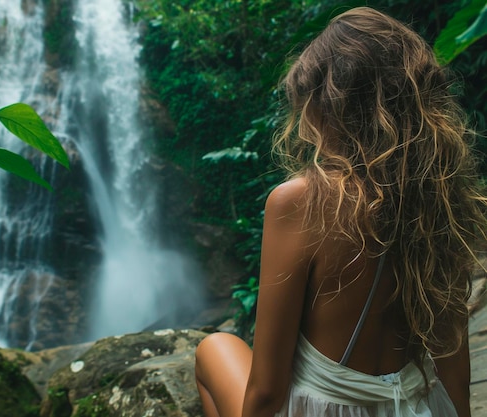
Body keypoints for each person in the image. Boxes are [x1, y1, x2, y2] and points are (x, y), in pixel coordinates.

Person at [195, 6, 486, 417]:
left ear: (326, 104)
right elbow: (454, 371)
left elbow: (265, 391)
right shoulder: (441, 197)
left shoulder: (300, 200)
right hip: (415, 407)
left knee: (215, 347)